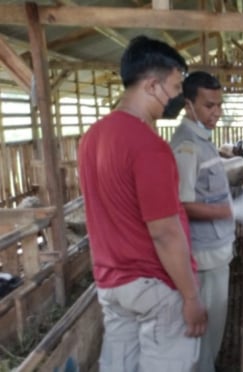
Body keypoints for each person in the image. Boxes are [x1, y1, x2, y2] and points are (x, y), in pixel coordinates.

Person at [78, 36, 207, 371]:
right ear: (152, 85)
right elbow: (164, 231)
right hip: (154, 287)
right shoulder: (149, 146)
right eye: (175, 87)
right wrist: (191, 297)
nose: (177, 97)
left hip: (111, 284)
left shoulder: (91, 138)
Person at [169, 71, 235, 372]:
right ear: (188, 105)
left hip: (215, 250)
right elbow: (181, 203)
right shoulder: (187, 146)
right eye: (209, 106)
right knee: (205, 334)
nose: (216, 113)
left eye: (219, 105)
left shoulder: (202, 140)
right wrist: (228, 211)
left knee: (214, 326)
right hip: (204, 256)